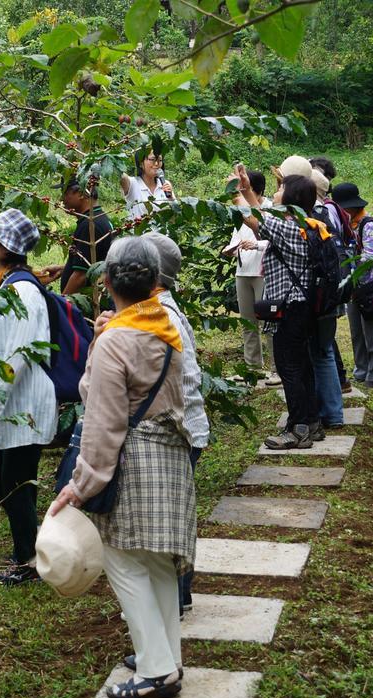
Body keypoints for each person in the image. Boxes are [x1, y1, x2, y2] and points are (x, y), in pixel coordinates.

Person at [50, 235, 195, 698]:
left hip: (134, 460)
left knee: (123, 560)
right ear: (155, 283)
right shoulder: (164, 326)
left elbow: (104, 422)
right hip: (170, 455)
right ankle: (166, 656)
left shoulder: (117, 340)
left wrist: (80, 485)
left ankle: (156, 670)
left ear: (107, 281)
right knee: (157, 563)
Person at [0, 209, 58, 586]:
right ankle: (32, 542)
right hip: (9, 400)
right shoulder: (5, 286)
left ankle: (30, 559)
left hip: (22, 402)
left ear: (6, 246)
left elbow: (18, 357)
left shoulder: (21, 291)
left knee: (16, 480)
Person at [232, 166, 327, 449]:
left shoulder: (287, 227)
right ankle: (311, 423)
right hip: (303, 305)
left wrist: (235, 191)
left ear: (290, 199)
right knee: (302, 365)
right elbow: (261, 213)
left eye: (281, 187)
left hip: (291, 308)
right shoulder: (306, 223)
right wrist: (248, 188)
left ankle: (297, 429)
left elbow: (252, 218)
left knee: (289, 368)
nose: (276, 189)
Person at [141, 230, 208, 617]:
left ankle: (172, 599)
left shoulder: (158, 315)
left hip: (176, 430)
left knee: (165, 520)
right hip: (186, 426)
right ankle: (179, 594)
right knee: (174, 513)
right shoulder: (162, 308)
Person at [222, 169, 277, 379]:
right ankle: (252, 367)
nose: (241, 192)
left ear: (255, 190)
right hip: (243, 271)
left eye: (244, 188)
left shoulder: (271, 209)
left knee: (269, 322)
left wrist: (256, 245)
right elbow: (237, 236)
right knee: (247, 322)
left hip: (263, 272)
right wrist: (231, 248)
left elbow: (273, 239)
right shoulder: (241, 211)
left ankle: (276, 369)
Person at [333, 182, 373, 388]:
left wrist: (349, 265)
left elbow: (371, 257)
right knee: (356, 332)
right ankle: (361, 370)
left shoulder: (368, 225)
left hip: (369, 288)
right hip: (353, 290)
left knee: (372, 333)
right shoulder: (346, 227)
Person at [309, 170, 346, 429]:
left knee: (321, 353)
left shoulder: (314, 217)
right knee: (325, 351)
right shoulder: (330, 211)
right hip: (331, 293)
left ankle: (330, 413)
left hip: (320, 295)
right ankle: (332, 412)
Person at [57, 176, 116, 296]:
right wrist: (63, 269)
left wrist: (61, 305)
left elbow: (81, 276)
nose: (62, 199)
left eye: (65, 193)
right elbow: (91, 264)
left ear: (81, 193)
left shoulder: (90, 225)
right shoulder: (99, 218)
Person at [120, 148, 173, 223]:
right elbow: (120, 174)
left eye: (160, 160)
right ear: (141, 163)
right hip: (140, 234)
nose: (157, 164)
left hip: (163, 234)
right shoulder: (132, 183)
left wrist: (171, 198)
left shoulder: (165, 184)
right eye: (152, 159)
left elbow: (174, 218)